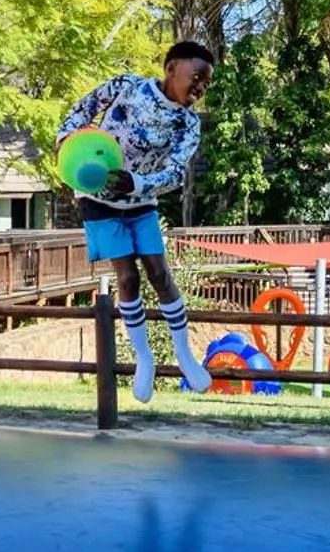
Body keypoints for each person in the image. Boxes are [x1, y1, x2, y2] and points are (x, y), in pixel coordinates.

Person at [57, 42, 217, 399]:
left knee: (159, 273)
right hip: (98, 198)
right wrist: (66, 139)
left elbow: (175, 173)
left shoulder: (187, 124)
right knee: (127, 276)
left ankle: (183, 354)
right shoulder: (127, 86)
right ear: (172, 67)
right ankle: (144, 359)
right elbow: (85, 106)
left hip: (141, 199)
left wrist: (139, 184)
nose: (200, 88)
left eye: (207, 83)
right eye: (196, 77)